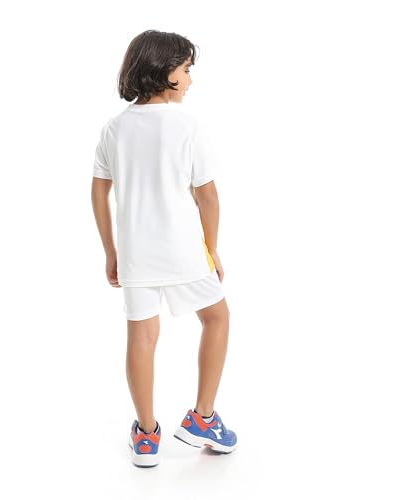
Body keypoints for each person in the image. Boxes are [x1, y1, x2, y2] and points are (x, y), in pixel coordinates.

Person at [91, 30, 237, 468]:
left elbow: (99, 192)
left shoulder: (114, 129)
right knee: (217, 318)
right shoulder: (187, 126)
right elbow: (207, 197)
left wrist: (111, 251)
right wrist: (211, 249)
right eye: (186, 69)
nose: (190, 79)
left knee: (142, 336)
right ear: (164, 71)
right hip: (183, 250)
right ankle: (203, 418)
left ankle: (147, 435)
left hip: (136, 253)